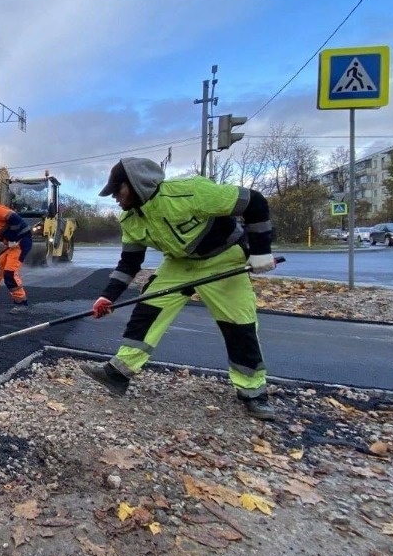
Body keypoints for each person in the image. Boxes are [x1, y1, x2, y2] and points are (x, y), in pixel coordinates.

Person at [80, 158, 279, 421]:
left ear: (136, 184)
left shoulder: (190, 192)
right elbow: (130, 262)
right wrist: (107, 296)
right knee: (148, 310)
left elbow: (254, 201)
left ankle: (252, 391)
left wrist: (261, 251)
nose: (115, 197)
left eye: (118, 190)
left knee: (238, 324)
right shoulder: (130, 219)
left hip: (223, 258)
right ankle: (119, 373)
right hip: (180, 263)